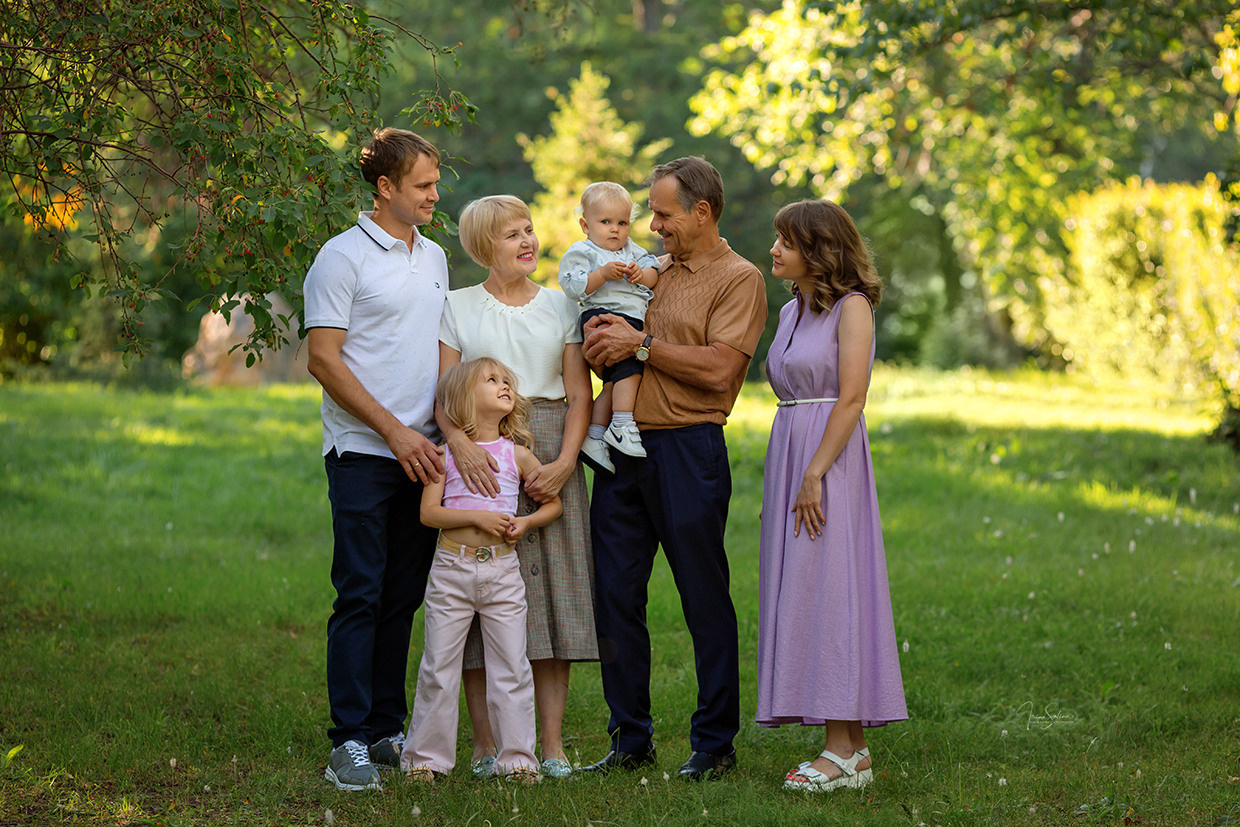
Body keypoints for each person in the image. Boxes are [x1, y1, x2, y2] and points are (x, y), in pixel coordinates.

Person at [580, 156, 767, 780]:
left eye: (664, 214)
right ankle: (629, 740)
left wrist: (639, 345)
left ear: (703, 212)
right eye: (651, 213)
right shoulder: (649, 270)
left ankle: (714, 746)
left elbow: (719, 369)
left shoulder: (739, 279)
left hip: (689, 450)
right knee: (613, 596)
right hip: (621, 452)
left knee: (702, 596)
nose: (653, 224)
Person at [303, 128, 448, 791]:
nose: (433, 194)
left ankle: (387, 730)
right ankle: (348, 742)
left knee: (401, 597)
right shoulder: (340, 259)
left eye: (435, 182)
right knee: (360, 592)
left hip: (425, 454)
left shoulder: (438, 257)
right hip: (364, 452)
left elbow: (440, 349)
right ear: (385, 187)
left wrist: (442, 432)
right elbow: (323, 360)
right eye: (422, 184)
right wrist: (394, 432)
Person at [437, 195, 597, 780]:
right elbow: (446, 392)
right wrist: (459, 444)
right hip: (482, 449)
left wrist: (566, 462)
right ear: (484, 245)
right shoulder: (456, 307)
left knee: (553, 598)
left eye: (530, 230)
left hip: (550, 442)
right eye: (512, 234)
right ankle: (485, 746)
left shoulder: (560, 305)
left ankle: (549, 748)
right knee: (481, 597)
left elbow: (580, 394)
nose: (528, 241)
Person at [758, 199, 907, 792]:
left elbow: (851, 399)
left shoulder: (853, 309)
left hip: (829, 463)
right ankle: (854, 751)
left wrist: (816, 471)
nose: (773, 249)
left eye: (785, 241)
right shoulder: (792, 309)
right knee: (807, 591)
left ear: (817, 249)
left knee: (834, 590)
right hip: (791, 453)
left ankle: (842, 750)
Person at [401, 358, 561, 784]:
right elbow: (429, 513)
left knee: (511, 666)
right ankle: (425, 760)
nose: (504, 385)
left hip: (504, 574)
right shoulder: (445, 454)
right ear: (461, 401)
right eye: (491, 381)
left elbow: (553, 505)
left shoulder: (518, 455)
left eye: (506, 380)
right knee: (439, 666)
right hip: (452, 570)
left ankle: (519, 761)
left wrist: (525, 522)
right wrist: (476, 518)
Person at [558, 181, 661, 472]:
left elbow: (655, 272)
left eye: (622, 223)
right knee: (632, 369)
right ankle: (622, 424)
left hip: (629, 321)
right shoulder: (584, 252)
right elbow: (573, 286)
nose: (615, 230)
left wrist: (642, 275)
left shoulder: (633, 250)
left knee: (615, 381)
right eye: (605, 222)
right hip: (602, 316)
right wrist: (601, 274)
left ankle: (594, 436)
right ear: (585, 224)